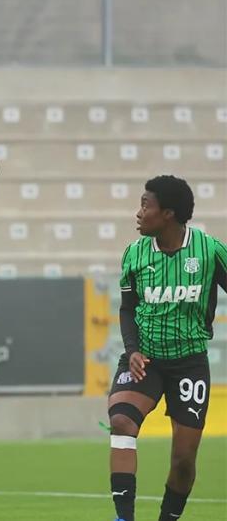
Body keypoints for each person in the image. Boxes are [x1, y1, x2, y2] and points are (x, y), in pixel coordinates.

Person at [105, 175, 224, 521]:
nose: (139, 213)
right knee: (122, 421)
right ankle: (123, 518)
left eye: (146, 205)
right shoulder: (134, 254)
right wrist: (132, 350)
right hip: (146, 359)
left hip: (190, 363)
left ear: (168, 214)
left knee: (184, 462)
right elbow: (128, 308)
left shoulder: (209, 250)